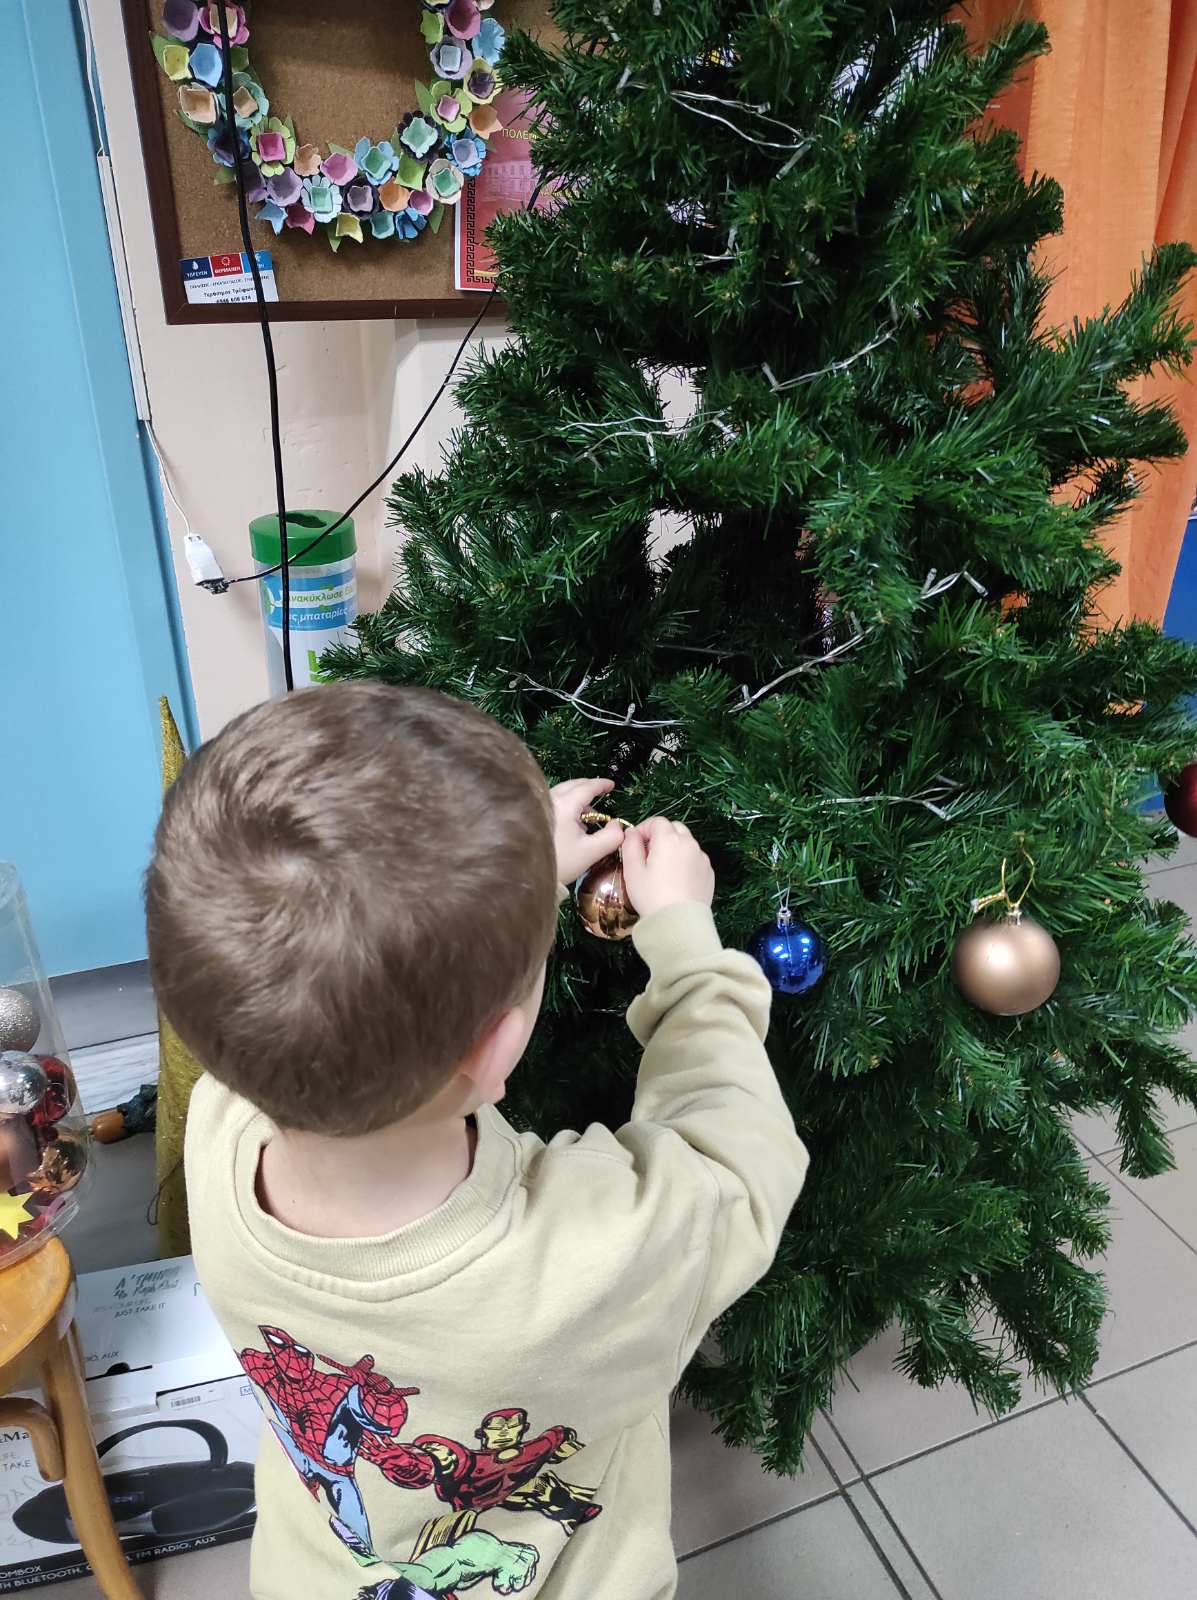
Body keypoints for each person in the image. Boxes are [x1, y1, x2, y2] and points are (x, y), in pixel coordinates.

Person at [145, 682, 808, 1600]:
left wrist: (512, 873)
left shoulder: (222, 1121)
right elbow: (737, 1152)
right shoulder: (591, 1252)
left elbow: (314, 957)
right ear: (496, 1050)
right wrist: (687, 950)